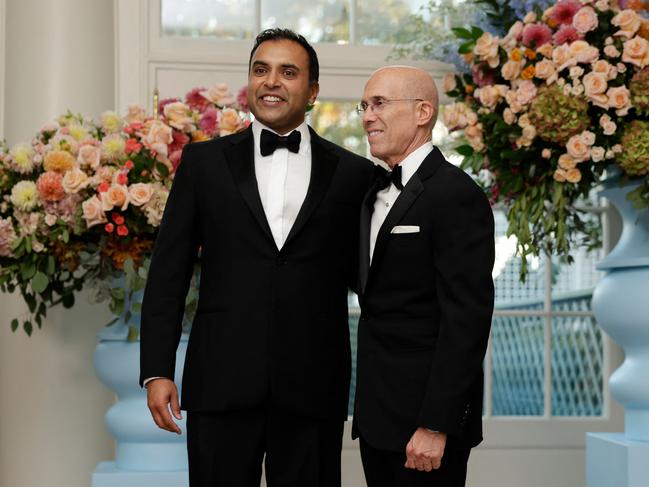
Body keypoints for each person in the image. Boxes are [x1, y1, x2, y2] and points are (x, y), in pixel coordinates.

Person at [139, 28, 374, 487]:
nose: (271, 81)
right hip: (220, 383)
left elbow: (371, 285)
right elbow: (169, 272)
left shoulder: (354, 174)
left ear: (313, 91)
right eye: (261, 70)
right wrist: (156, 370)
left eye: (288, 72)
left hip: (313, 387)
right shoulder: (202, 164)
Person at [352, 66, 495, 487]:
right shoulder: (368, 193)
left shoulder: (456, 194)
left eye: (379, 103)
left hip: (427, 427)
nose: (366, 116)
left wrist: (436, 424)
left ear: (422, 112)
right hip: (377, 418)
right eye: (365, 105)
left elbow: (466, 320)